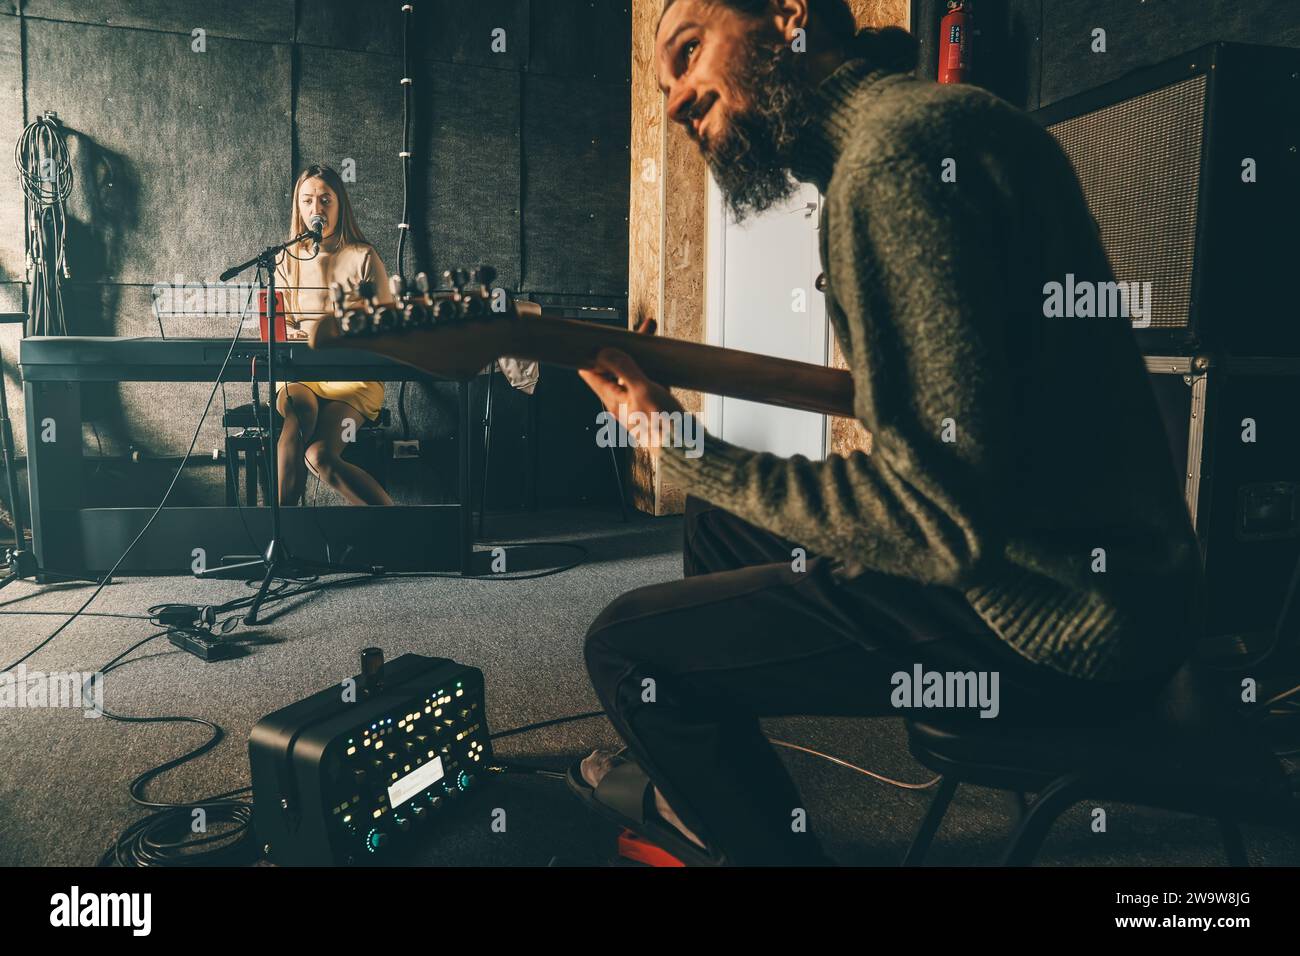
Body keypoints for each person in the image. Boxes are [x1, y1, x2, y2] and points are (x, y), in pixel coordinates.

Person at [572, 0, 1202, 865]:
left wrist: (681, 447)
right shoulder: (931, 124)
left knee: (623, 645)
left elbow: (938, 529)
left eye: (689, 52)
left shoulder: (890, 164)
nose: (677, 99)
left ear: (788, 15)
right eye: (667, 82)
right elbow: (963, 401)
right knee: (713, 526)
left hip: (1057, 623)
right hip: (1106, 576)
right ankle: (728, 797)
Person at [274, 163, 394, 506]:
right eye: (308, 200)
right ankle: (283, 542)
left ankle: (399, 526)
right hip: (301, 374)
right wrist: (292, 334)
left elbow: (386, 323)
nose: (317, 209)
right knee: (299, 422)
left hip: (352, 379)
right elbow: (280, 322)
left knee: (321, 456)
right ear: (299, 207)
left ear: (340, 206)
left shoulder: (364, 256)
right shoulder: (286, 258)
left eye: (325, 200)